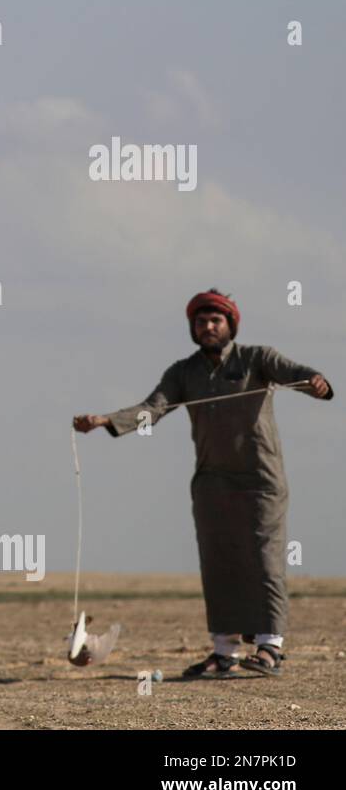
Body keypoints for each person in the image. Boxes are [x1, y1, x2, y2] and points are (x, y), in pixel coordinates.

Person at [73, 290, 332, 678]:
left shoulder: (258, 358)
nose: (208, 327)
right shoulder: (183, 373)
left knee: (265, 560)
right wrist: (106, 421)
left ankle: (269, 647)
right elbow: (153, 410)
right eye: (200, 322)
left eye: (216, 321)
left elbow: (300, 375)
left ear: (231, 325)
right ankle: (223, 652)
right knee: (219, 564)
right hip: (211, 482)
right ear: (192, 328)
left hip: (261, 478)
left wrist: (317, 384)